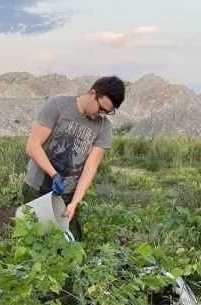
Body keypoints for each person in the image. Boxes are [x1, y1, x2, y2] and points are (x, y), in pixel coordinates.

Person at [21, 76, 126, 241]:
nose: (102, 115)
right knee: (34, 241)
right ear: (93, 94)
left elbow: (90, 168)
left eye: (107, 112)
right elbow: (32, 146)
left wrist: (74, 202)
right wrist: (54, 174)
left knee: (69, 245)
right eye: (101, 109)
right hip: (37, 188)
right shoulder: (57, 105)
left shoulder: (104, 128)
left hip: (67, 194)